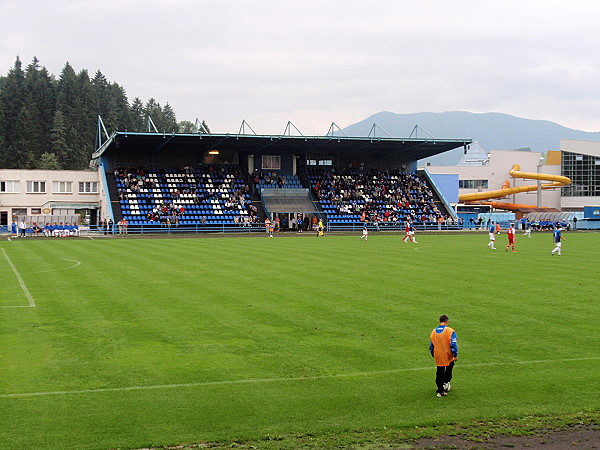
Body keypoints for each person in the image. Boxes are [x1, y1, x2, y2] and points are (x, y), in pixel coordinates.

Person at [429, 314, 458, 397]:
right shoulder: (450, 331)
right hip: (448, 355)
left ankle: (440, 390)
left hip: (438, 355)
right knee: (450, 367)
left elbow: (431, 345)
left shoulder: (434, 331)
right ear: (447, 321)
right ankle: (446, 382)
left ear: (439, 321)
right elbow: (453, 344)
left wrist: (433, 354)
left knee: (440, 372)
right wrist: (455, 354)